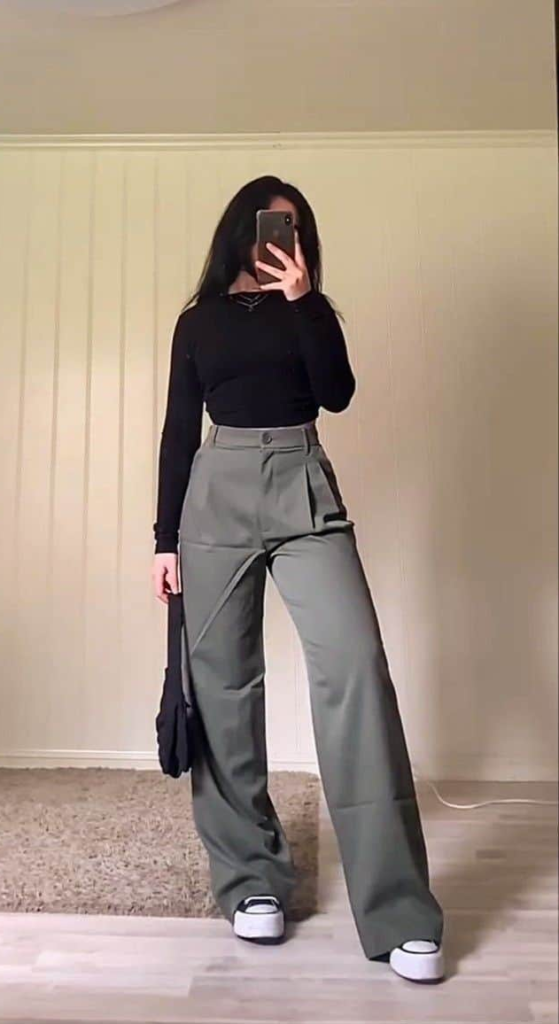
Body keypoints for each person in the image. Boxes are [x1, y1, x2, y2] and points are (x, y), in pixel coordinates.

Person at [151, 175, 445, 983]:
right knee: (221, 684)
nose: (281, 240)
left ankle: (399, 912)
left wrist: (306, 301)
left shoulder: (311, 312)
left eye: (295, 228)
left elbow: (336, 396)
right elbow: (179, 430)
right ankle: (251, 881)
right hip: (215, 492)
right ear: (238, 234)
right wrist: (164, 539)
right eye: (268, 226)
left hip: (303, 481)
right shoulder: (197, 322)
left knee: (355, 670)